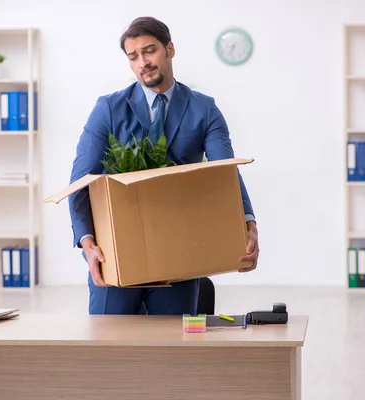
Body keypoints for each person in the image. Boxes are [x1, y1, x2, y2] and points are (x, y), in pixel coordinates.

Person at [68, 16, 259, 316]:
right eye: (134, 56)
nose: (143, 61)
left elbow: (225, 171)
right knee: (108, 352)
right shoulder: (108, 108)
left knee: (173, 353)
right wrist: (87, 244)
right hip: (115, 254)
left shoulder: (204, 109)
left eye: (150, 50)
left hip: (180, 254)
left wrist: (247, 223)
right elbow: (81, 181)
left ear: (170, 49)